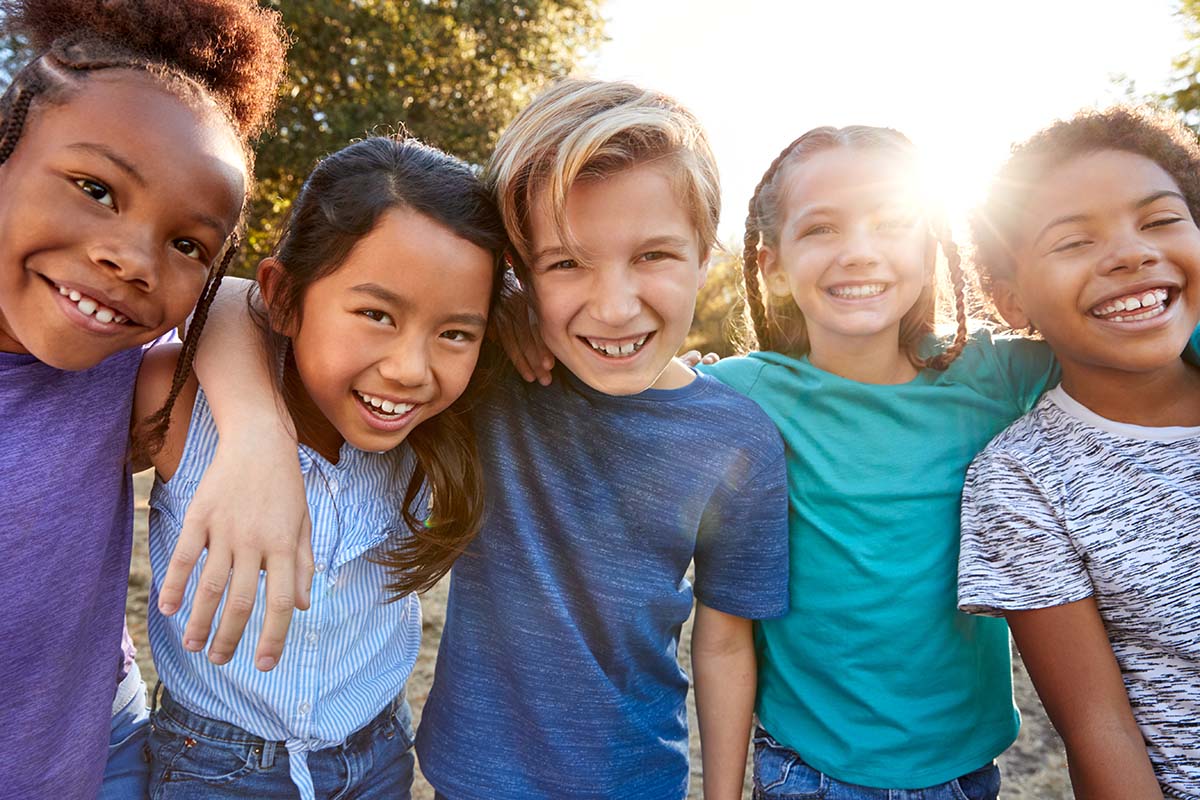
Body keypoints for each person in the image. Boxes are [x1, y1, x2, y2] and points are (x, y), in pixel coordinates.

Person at [196, 78, 791, 800]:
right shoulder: (483, 374)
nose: (612, 305)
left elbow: (726, 642)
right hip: (463, 777)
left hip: (637, 781)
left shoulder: (738, 439)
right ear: (521, 271)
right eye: (567, 262)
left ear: (707, 254)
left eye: (654, 256)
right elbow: (234, 300)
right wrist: (255, 432)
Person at [138, 135, 506, 800]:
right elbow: (218, 295)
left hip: (379, 755)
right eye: (376, 314)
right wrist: (256, 432)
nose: (410, 370)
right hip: (211, 766)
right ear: (284, 298)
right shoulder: (183, 404)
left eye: (455, 333)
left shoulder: (446, 432)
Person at [0, 1, 296, 797]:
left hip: (104, 751)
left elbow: (234, 304)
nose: (132, 260)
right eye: (96, 188)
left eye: (187, 244)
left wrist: (258, 439)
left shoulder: (115, 364)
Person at [701, 125, 1046, 800]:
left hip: (965, 769)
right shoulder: (739, 393)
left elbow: (1142, 343)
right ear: (771, 263)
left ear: (928, 246)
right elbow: (612, 381)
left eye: (891, 222)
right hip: (810, 771)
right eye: (822, 229)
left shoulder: (998, 376)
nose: (859, 252)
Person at [958, 106, 1200, 800]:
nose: (1131, 253)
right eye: (1073, 241)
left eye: (1159, 221)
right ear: (1011, 300)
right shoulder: (1022, 478)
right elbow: (1099, 730)